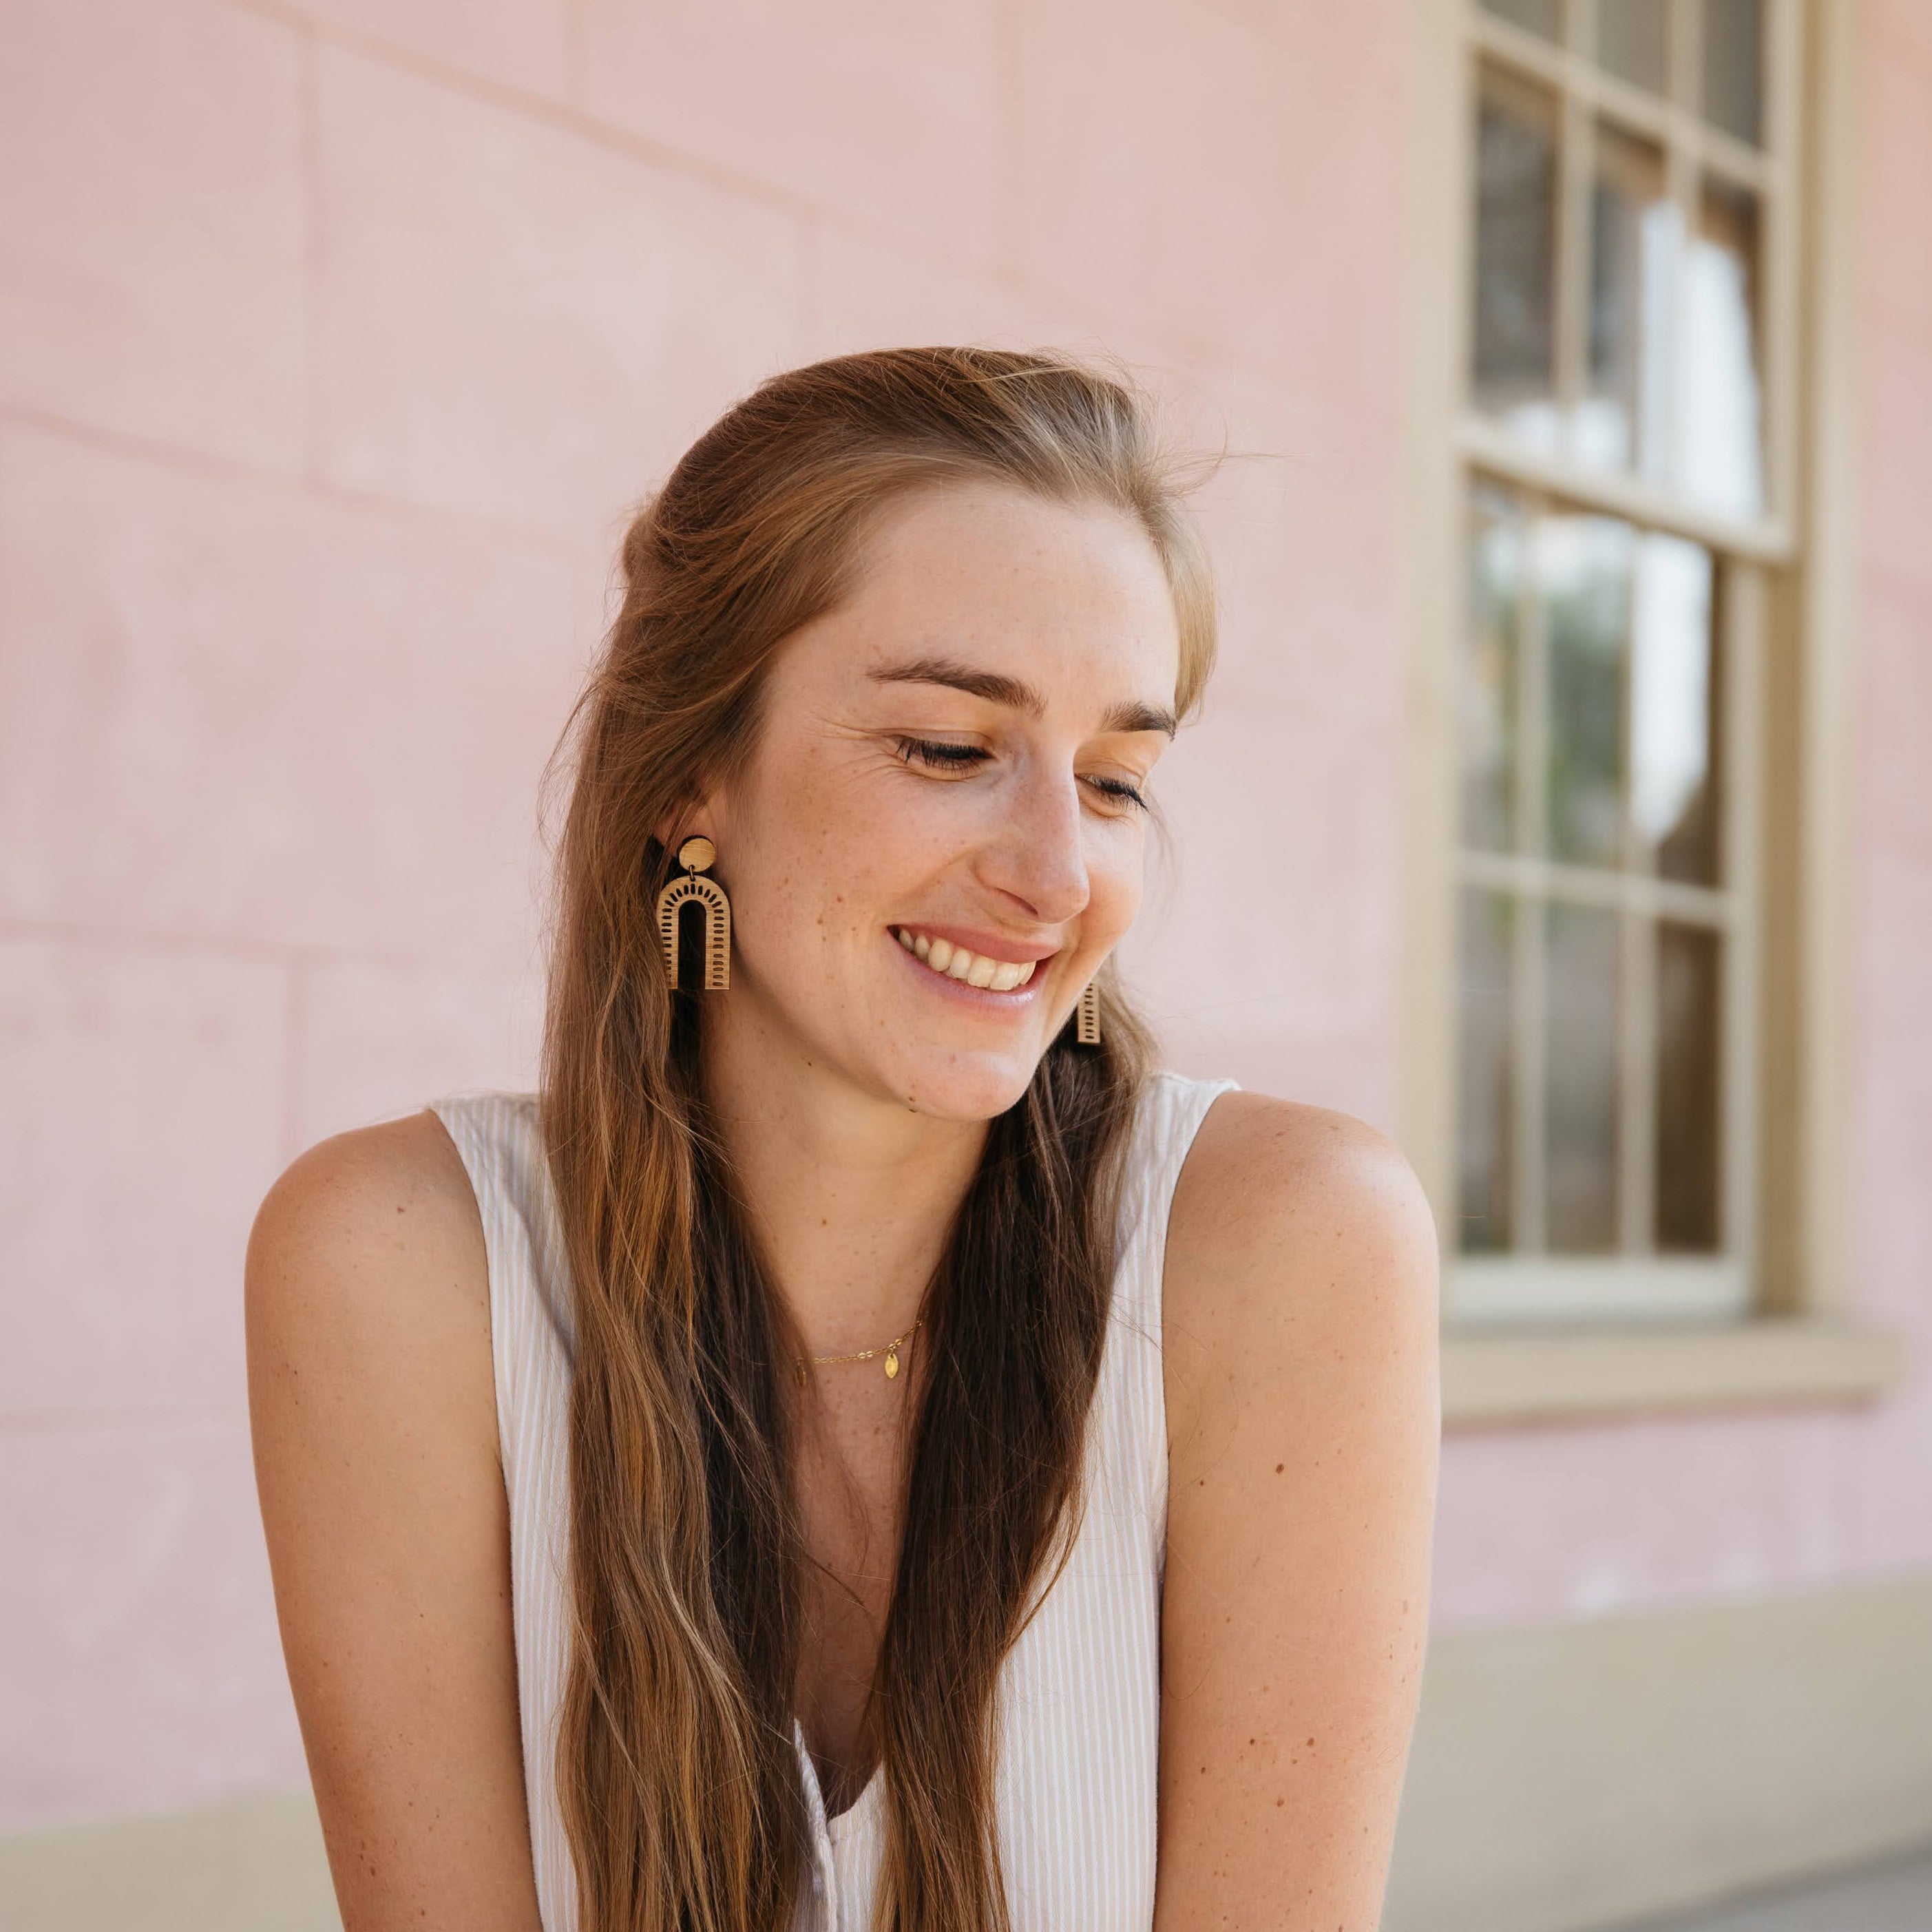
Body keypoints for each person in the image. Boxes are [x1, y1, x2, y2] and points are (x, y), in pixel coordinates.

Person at [246, 347, 1440, 1932]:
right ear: (689, 774)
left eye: (1114, 779)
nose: (1056, 870)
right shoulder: (397, 1268)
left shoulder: (1286, 1246)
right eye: (948, 748)